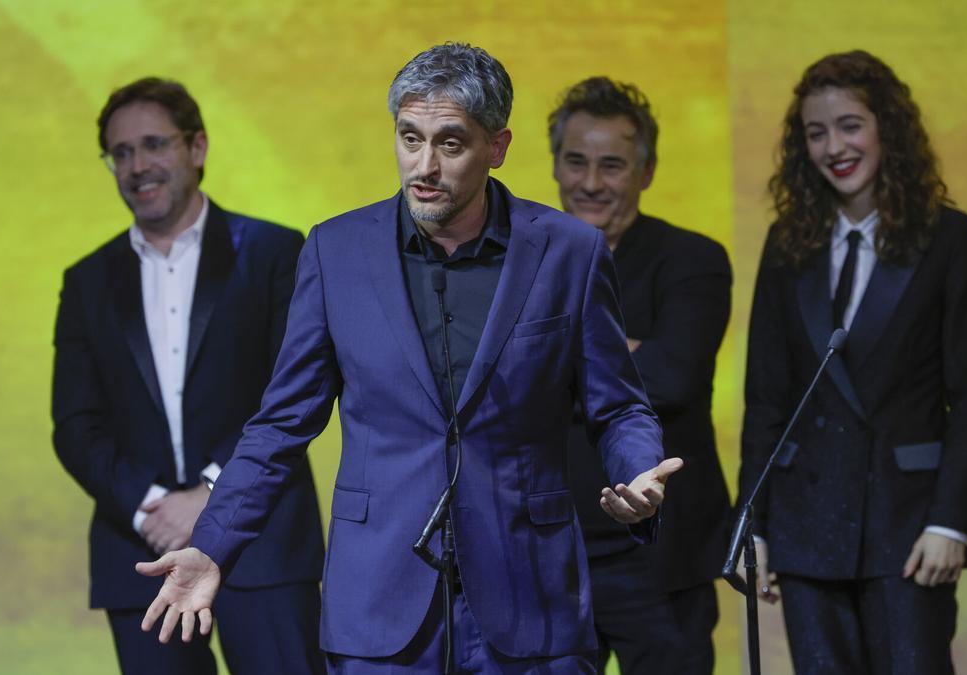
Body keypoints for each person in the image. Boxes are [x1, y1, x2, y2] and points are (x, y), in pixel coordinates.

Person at [134, 44, 683, 673]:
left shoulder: (569, 253)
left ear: (497, 148)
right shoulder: (335, 251)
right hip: (380, 605)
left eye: (450, 144)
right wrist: (213, 546)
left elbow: (619, 406)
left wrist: (638, 471)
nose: (424, 165)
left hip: (529, 596)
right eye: (409, 137)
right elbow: (283, 423)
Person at [52, 77, 326, 675]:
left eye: (153, 144)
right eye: (120, 153)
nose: (136, 166)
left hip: (265, 545)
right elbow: (75, 425)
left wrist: (209, 495)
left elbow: (295, 394)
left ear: (197, 147)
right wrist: (154, 508)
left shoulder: (275, 253)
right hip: (141, 551)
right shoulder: (87, 282)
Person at [738, 50, 967, 674]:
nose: (834, 146)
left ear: (887, 128)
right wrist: (753, 523)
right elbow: (767, 398)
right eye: (816, 132)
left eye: (850, 125)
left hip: (909, 527)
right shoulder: (788, 241)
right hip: (806, 524)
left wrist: (951, 523)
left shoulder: (948, 239)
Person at [549, 76, 732, 674]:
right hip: (548, 550)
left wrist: (550, 354)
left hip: (660, 560)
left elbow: (672, 378)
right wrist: (625, 353)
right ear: (555, 165)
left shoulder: (694, 260)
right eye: (576, 162)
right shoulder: (519, 260)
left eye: (612, 165)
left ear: (646, 172)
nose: (592, 184)